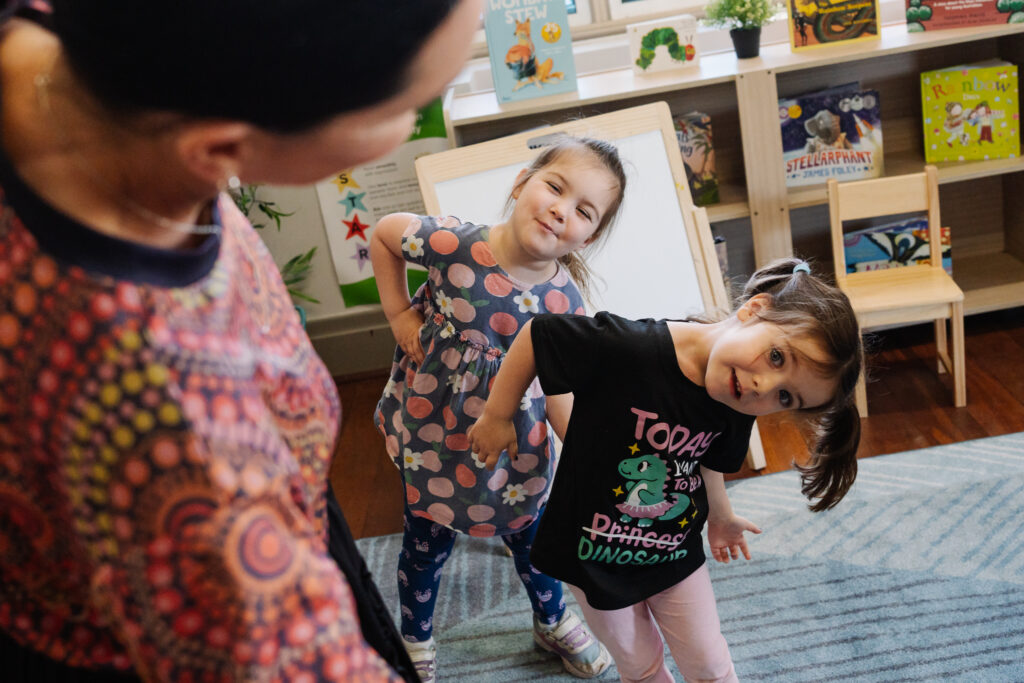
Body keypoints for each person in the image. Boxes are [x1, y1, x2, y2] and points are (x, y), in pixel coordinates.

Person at [0, 0, 481, 680]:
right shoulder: (176, 428)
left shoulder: (60, 39)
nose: (424, 114)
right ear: (221, 149)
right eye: (420, 103)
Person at [468, 258, 864, 682]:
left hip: (673, 552)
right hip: (590, 554)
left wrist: (721, 515)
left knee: (711, 666)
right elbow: (538, 336)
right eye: (776, 356)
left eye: (786, 397)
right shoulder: (629, 347)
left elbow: (707, 461)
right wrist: (497, 414)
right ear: (755, 309)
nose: (764, 386)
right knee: (640, 666)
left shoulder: (737, 399)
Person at [370, 135, 627, 681]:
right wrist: (398, 314)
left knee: (533, 537)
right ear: (520, 184)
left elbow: (559, 390)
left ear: (591, 235)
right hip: (436, 428)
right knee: (426, 539)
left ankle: (552, 620)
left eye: (584, 211)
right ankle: (415, 635)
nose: (562, 210)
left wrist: (587, 454)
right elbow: (384, 235)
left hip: (518, 448)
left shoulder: (566, 305)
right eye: (555, 187)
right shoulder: (454, 243)